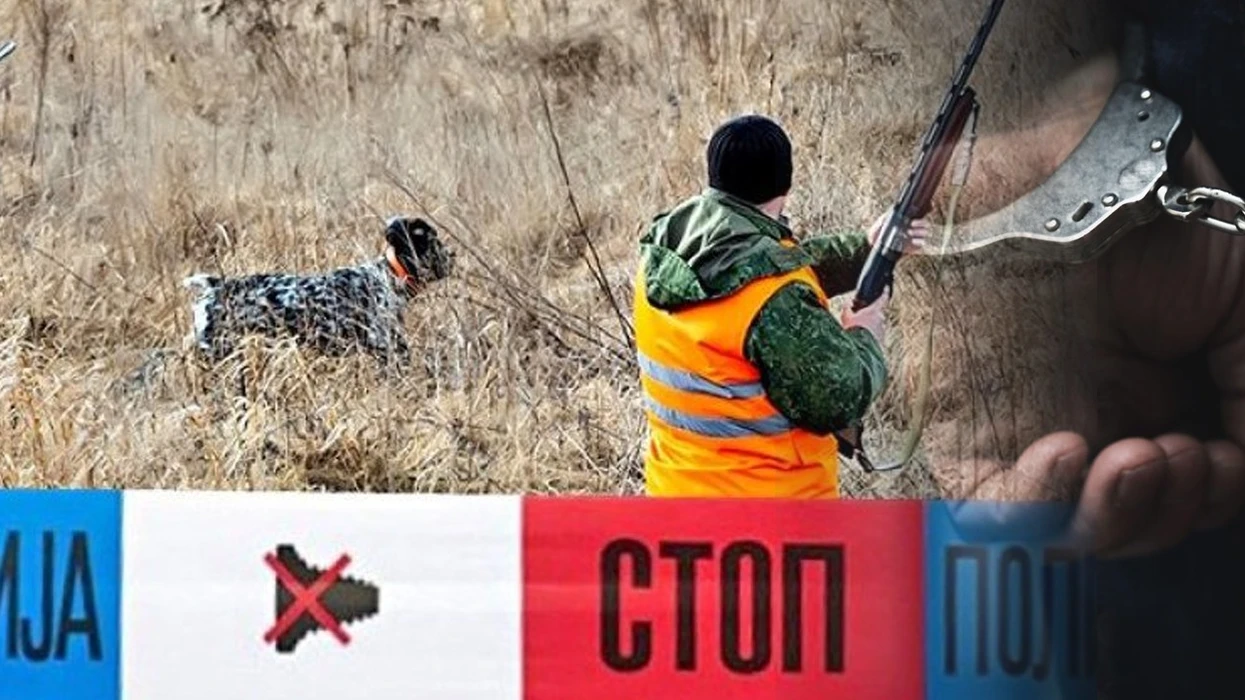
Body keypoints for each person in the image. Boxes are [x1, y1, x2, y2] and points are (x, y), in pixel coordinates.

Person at [632, 114, 928, 498]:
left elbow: (775, 267)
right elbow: (840, 398)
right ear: (786, 184)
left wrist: (867, 249)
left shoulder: (668, 251)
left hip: (675, 502)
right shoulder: (772, 299)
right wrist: (864, 330)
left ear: (715, 177)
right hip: (770, 518)